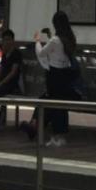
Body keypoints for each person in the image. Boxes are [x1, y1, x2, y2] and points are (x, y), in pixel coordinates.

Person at [25, 11, 80, 147]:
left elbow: (42, 52)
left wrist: (38, 41)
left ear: (56, 24)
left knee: (52, 104)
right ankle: (40, 127)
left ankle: (46, 131)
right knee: (55, 104)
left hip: (54, 77)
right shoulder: (70, 38)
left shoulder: (55, 40)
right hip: (65, 78)